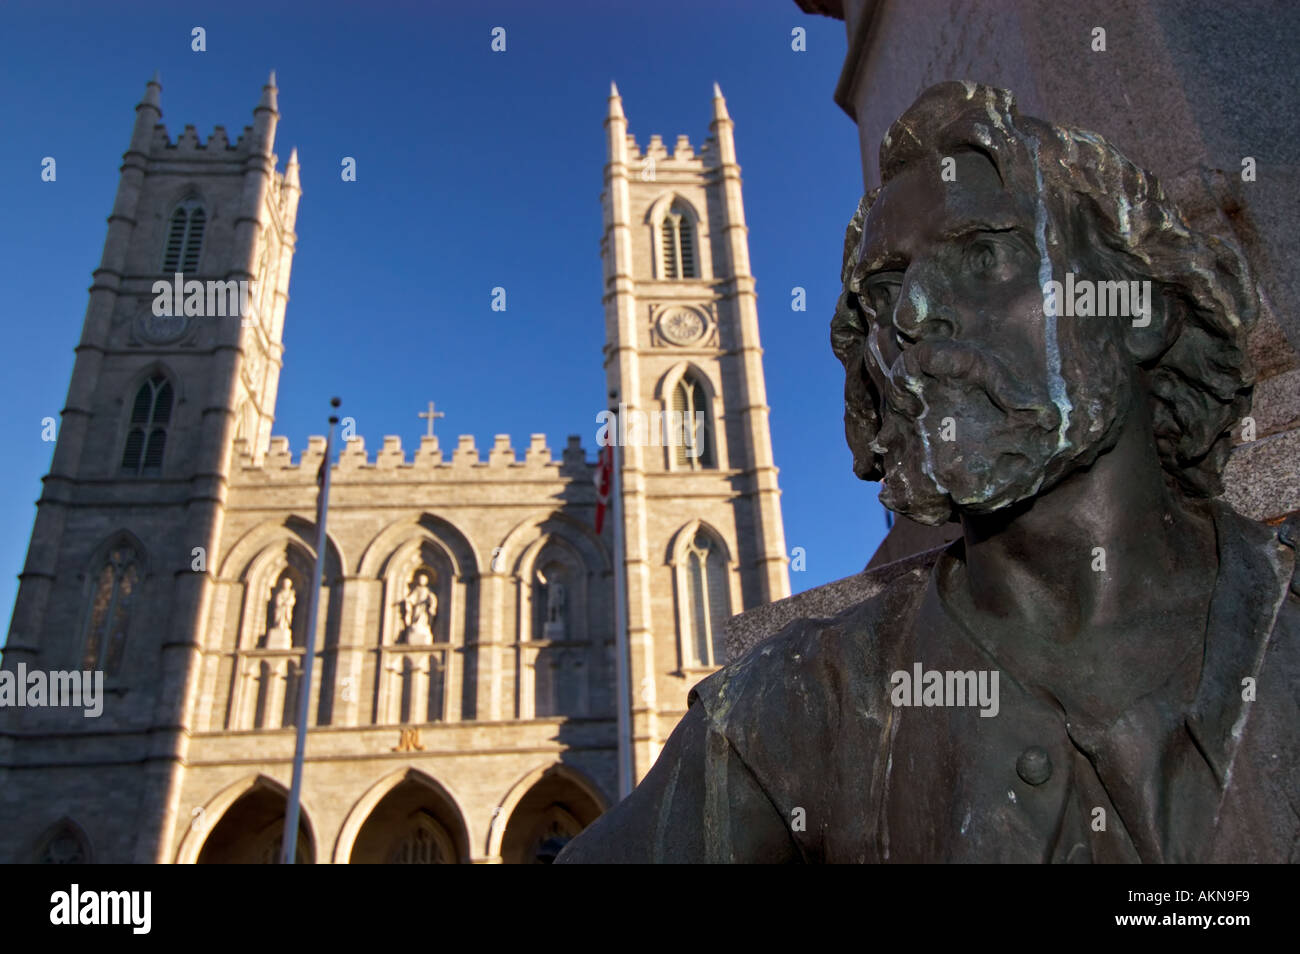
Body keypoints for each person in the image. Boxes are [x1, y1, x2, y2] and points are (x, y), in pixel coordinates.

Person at [557, 82, 1299, 864]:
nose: (910, 314)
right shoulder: (790, 713)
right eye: (884, 291)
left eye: (982, 255)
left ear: (1136, 308)